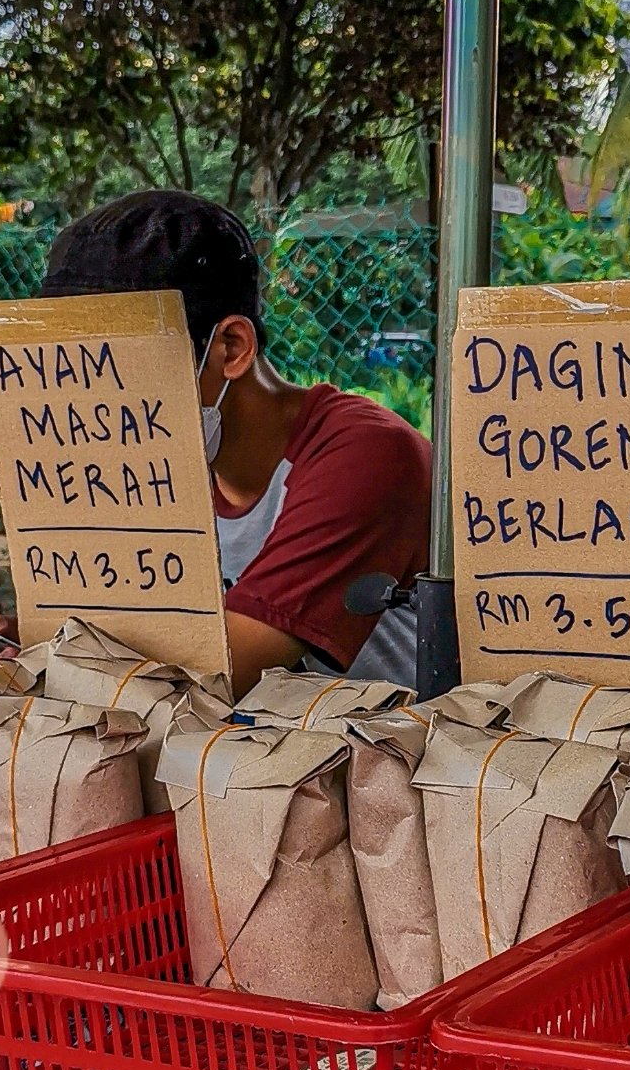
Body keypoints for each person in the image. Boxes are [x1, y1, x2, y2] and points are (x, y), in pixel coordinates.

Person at [37, 189, 430, 692]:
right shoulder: (154, 467)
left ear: (232, 347)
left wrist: (49, 657)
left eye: (121, 366)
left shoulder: (367, 454)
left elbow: (220, 671)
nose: (95, 399)